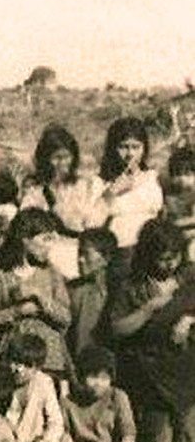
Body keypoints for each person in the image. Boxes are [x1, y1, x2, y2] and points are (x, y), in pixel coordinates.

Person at [108, 218, 195, 442]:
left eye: (175, 256)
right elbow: (117, 329)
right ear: (148, 256)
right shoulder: (133, 286)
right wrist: (148, 309)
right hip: (151, 377)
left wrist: (189, 319)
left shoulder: (190, 277)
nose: (170, 264)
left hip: (188, 375)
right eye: (163, 258)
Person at [0, 208, 72, 381]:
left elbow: (66, 318)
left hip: (47, 360)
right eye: (45, 239)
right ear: (25, 239)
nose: (50, 245)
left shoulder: (52, 273)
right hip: (10, 358)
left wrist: (39, 296)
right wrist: (18, 311)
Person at [51, 346, 141, 442]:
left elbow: (128, 433)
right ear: (81, 377)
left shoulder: (118, 396)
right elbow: (64, 434)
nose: (98, 383)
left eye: (104, 378)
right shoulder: (67, 402)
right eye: (93, 377)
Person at [20, 124, 108, 235]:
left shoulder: (88, 184)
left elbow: (96, 218)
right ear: (45, 159)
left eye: (67, 157)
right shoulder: (37, 190)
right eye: (57, 158)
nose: (63, 163)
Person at [100, 117, 163, 270]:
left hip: (153, 252)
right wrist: (112, 191)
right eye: (123, 147)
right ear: (112, 148)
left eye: (136, 147)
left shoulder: (153, 177)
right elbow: (93, 220)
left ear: (144, 148)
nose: (130, 154)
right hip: (121, 254)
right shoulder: (101, 182)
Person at [4, 334, 64, 442]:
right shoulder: (1, 381)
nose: (18, 369)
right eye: (15, 362)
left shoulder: (43, 383)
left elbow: (56, 422)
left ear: (37, 367)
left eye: (26, 365)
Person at [67, 229, 118, 357]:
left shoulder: (117, 289)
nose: (80, 260)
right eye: (79, 253)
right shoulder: (72, 289)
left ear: (106, 258)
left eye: (86, 254)